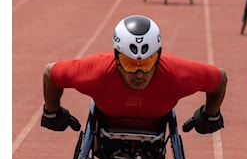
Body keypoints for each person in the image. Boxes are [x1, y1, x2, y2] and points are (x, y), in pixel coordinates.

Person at [41, 14, 226, 136]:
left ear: (158, 56)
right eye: (130, 64)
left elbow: (219, 78)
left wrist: (210, 116)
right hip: (108, 127)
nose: (139, 73)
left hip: (156, 125)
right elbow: (51, 73)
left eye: (147, 63)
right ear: (117, 58)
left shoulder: (177, 74)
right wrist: (53, 112)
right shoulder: (95, 72)